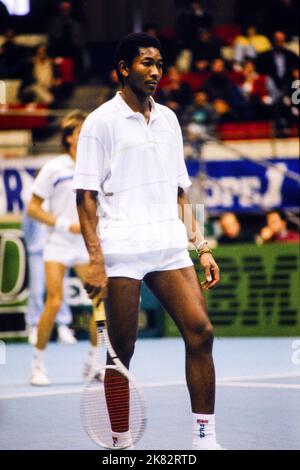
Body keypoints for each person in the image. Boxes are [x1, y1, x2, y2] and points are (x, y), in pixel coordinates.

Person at [73, 32, 223, 450]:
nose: (156, 71)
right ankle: (121, 441)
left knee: (201, 332)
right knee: (122, 351)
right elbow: (84, 198)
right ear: (123, 69)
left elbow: (182, 192)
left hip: (169, 245)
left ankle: (204, 437)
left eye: (159, 63)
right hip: (122, 248)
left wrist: (202, 246)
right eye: (145, 63)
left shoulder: (171, 120)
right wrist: (97, 261)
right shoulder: (99, 123)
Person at [27, 110, 99, 386]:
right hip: (58, 243)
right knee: (54, 302)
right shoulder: (54, 168)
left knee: (100, 304)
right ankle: (37, 366)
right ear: (69, 138)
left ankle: (93, 364)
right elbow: (33, 208)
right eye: (80, 132)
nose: (86, 137)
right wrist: (61, 224)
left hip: (86, 245)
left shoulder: (96, 167)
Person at [23, 212, 76, 346]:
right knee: (37, 288)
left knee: (61, 288)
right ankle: (35, 326)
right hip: (37, 250)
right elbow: (27, 221)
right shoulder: (33, 199)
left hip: (59, 248)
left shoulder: (59, 197)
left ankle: (62, 326)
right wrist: (32, 245)